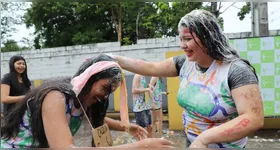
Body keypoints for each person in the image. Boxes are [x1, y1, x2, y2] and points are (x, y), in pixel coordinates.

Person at [108, 9, 264, 148]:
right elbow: (151, 68)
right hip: (193, 142)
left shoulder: (236, 71)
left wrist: (204, 139)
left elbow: (253, 118)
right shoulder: (186, 63)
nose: (182, 45)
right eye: (180, 39)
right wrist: (113, 58)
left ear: (208, 37)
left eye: (187, 39)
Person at [1, 54, 174, 148]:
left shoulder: (81, 100)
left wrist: (127, 127)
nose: (105, 96)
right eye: (105, 88)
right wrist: (139, 147)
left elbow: (94, 119)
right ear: (90, 78)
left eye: (110, 92)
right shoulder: (56, 97)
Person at [132, 73, 154, 138]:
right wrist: (147, 89)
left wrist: (148, 86)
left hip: (145, 105)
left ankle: (150, 145)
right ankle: (144, 146)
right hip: (139, 107)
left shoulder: (143, 76)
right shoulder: (137, 75)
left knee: (150, 127)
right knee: (142, 130)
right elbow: (134, 90)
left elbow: (141, 87)